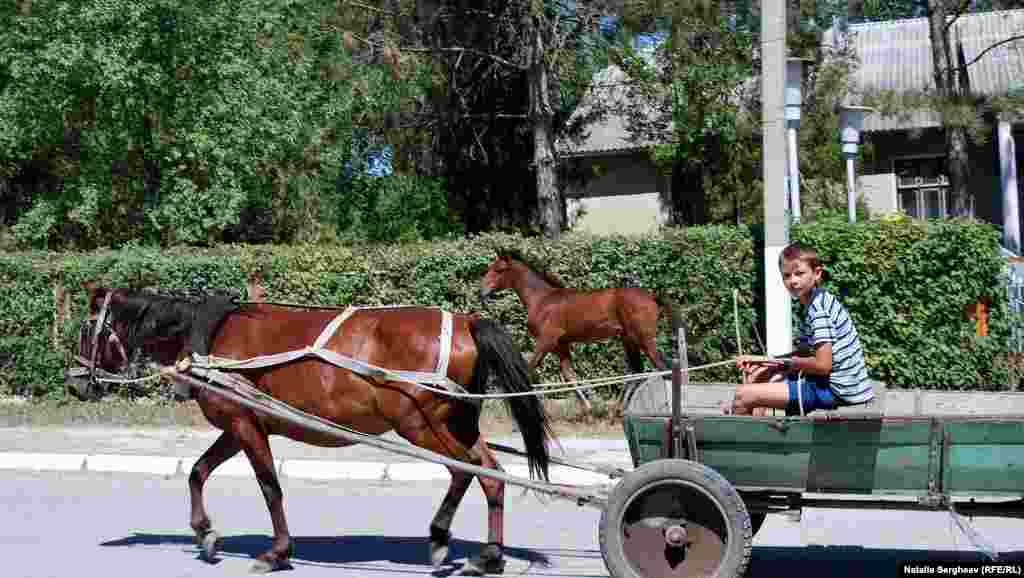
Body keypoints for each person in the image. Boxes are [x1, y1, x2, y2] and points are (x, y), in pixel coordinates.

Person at [728, 242, 872, 416]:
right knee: (758, 377)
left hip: (837, 389)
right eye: (787, 275)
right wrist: (766, 362)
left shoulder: (819, 311)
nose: (793, 281)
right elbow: (803, 354)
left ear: (817, 273)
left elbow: (823, 365)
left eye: (799, 273)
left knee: (743, 396)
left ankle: (742, 440)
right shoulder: (814, 303)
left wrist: (782, 364)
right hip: (831, 383)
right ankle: (760, 436)